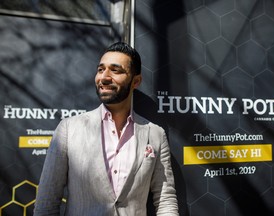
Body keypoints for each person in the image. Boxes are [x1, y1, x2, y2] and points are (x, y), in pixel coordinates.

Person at [34, 42, 179, 216]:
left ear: (136, 81)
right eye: (101, 69)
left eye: (115, 70)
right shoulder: (69, 129)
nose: (104, 77)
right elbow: (47, 202)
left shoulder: (155, 134)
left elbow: (165, 199)